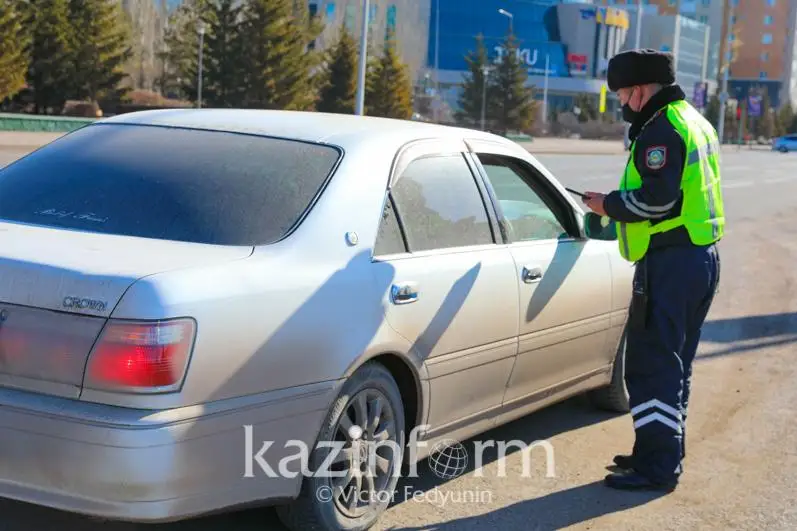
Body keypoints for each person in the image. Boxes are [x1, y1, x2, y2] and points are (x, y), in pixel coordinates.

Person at [581, 49, 724, 491]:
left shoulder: (663, 129)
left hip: (671, 262)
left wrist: (608, 205)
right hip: (698, 258)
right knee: (673, 364)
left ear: (640, 91)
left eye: (624, 94)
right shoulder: (692, 120)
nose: (623, 103)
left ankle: (657, 467)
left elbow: (656, 200)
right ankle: (659, 451)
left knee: (652, 364)